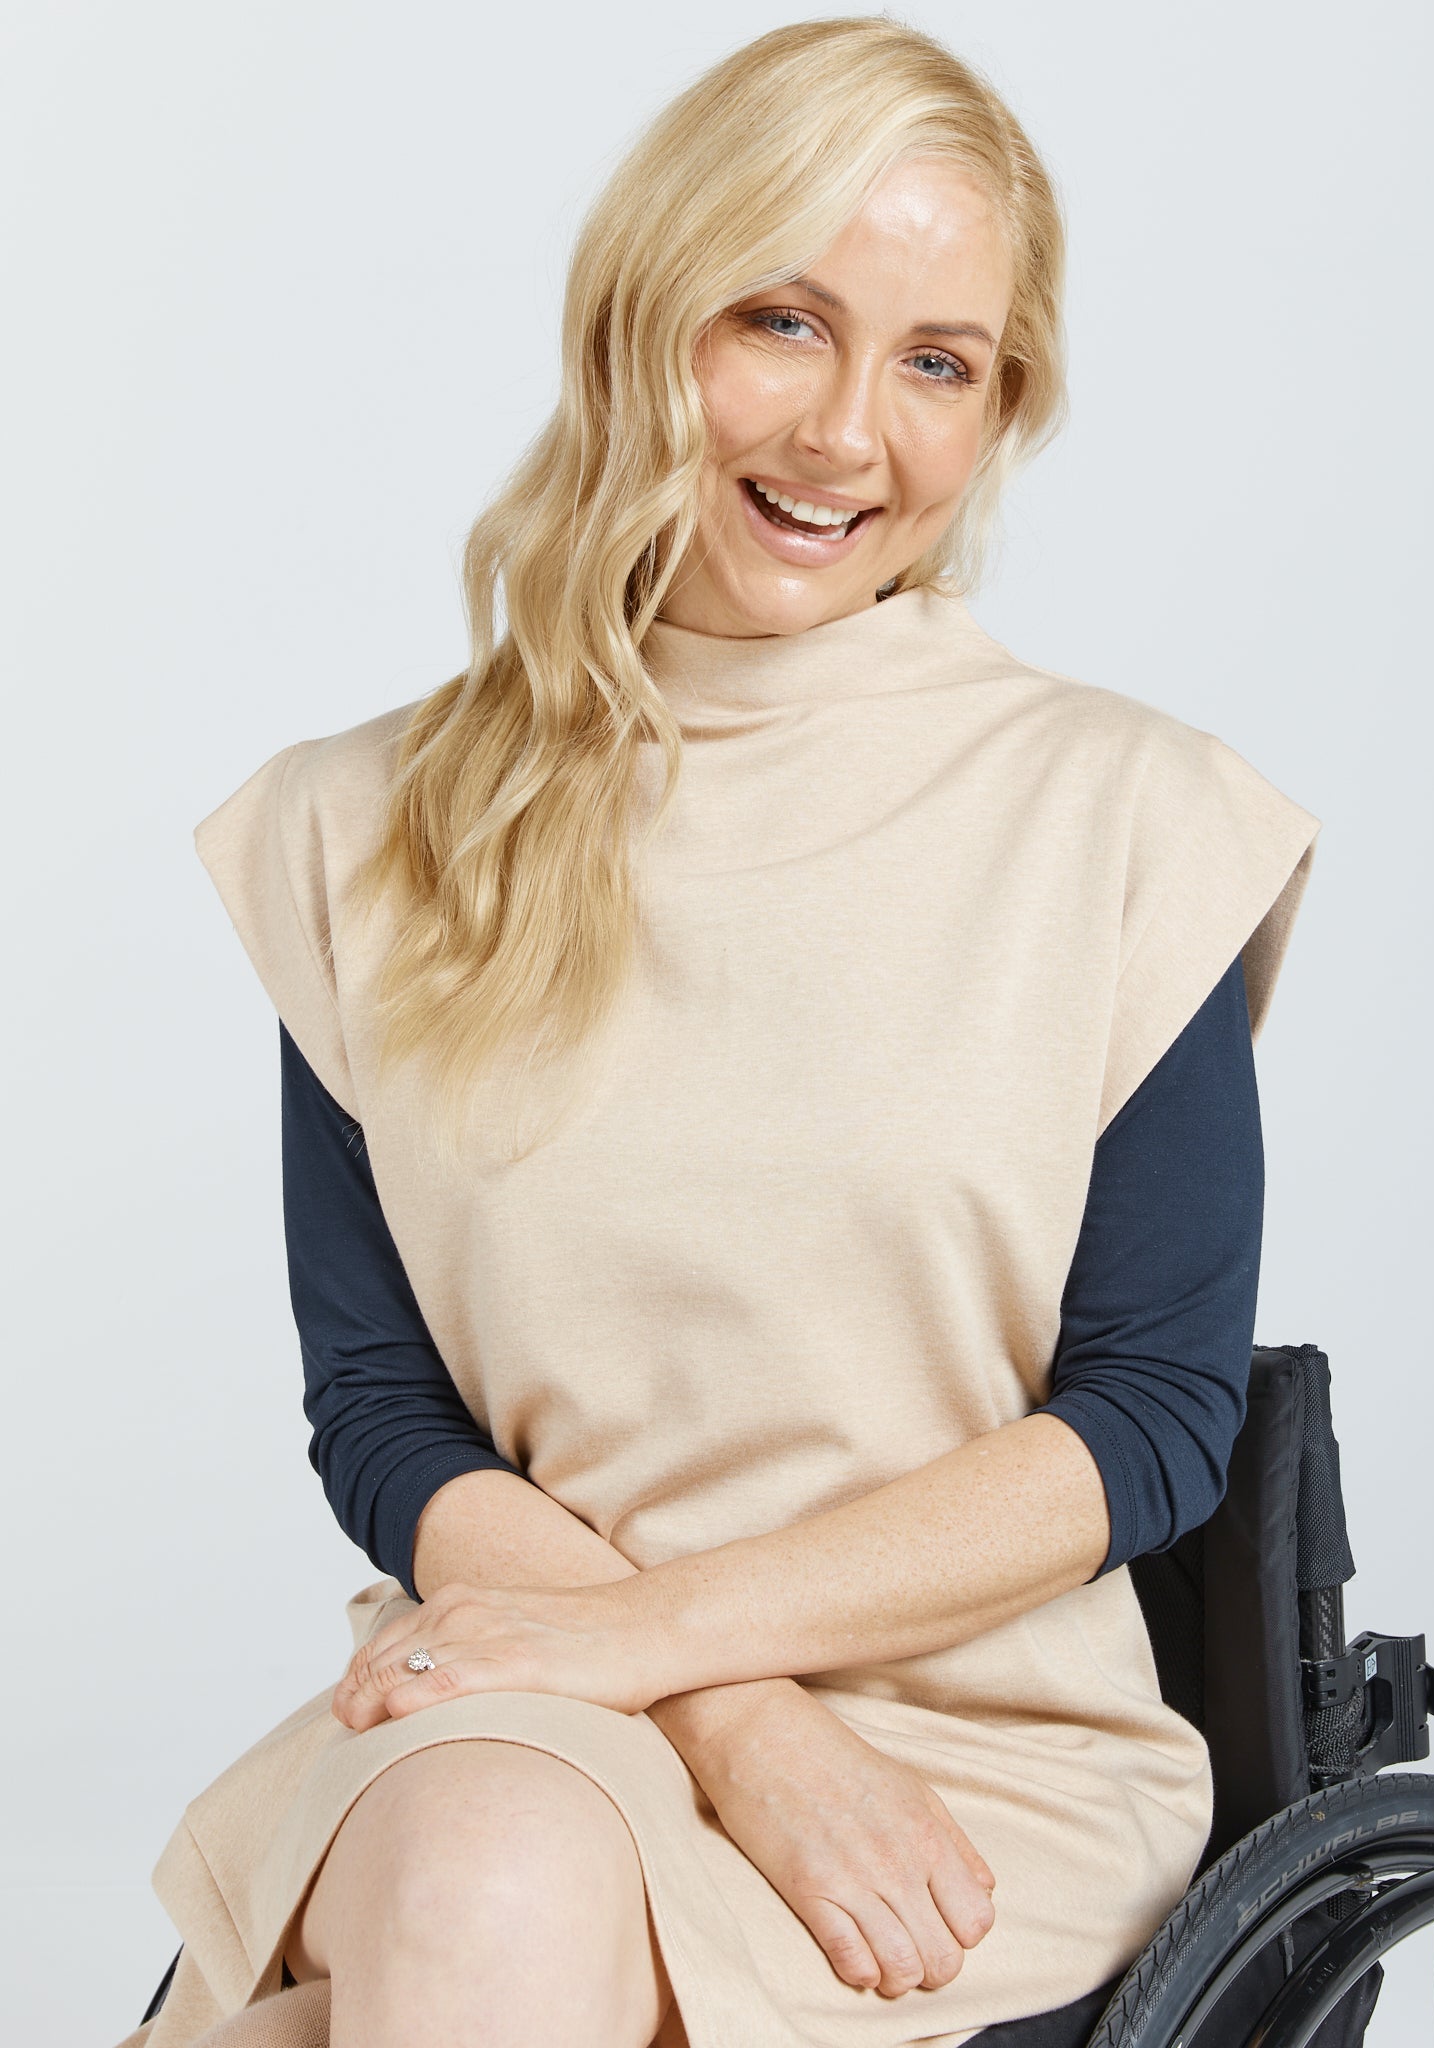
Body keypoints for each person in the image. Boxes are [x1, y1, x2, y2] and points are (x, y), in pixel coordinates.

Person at [122, 17, 1320, 2048]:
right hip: (520, 1701)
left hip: (981, 1776)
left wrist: (681, 1654)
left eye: (936, 361)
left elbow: (1145, 1418)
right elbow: (389, 1418)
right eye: (780, 319)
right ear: (640, 318)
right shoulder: (363, 834)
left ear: (998, 410)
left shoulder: (1127, 821)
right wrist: (734, 1717)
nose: (848, 432)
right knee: (491, 1858)